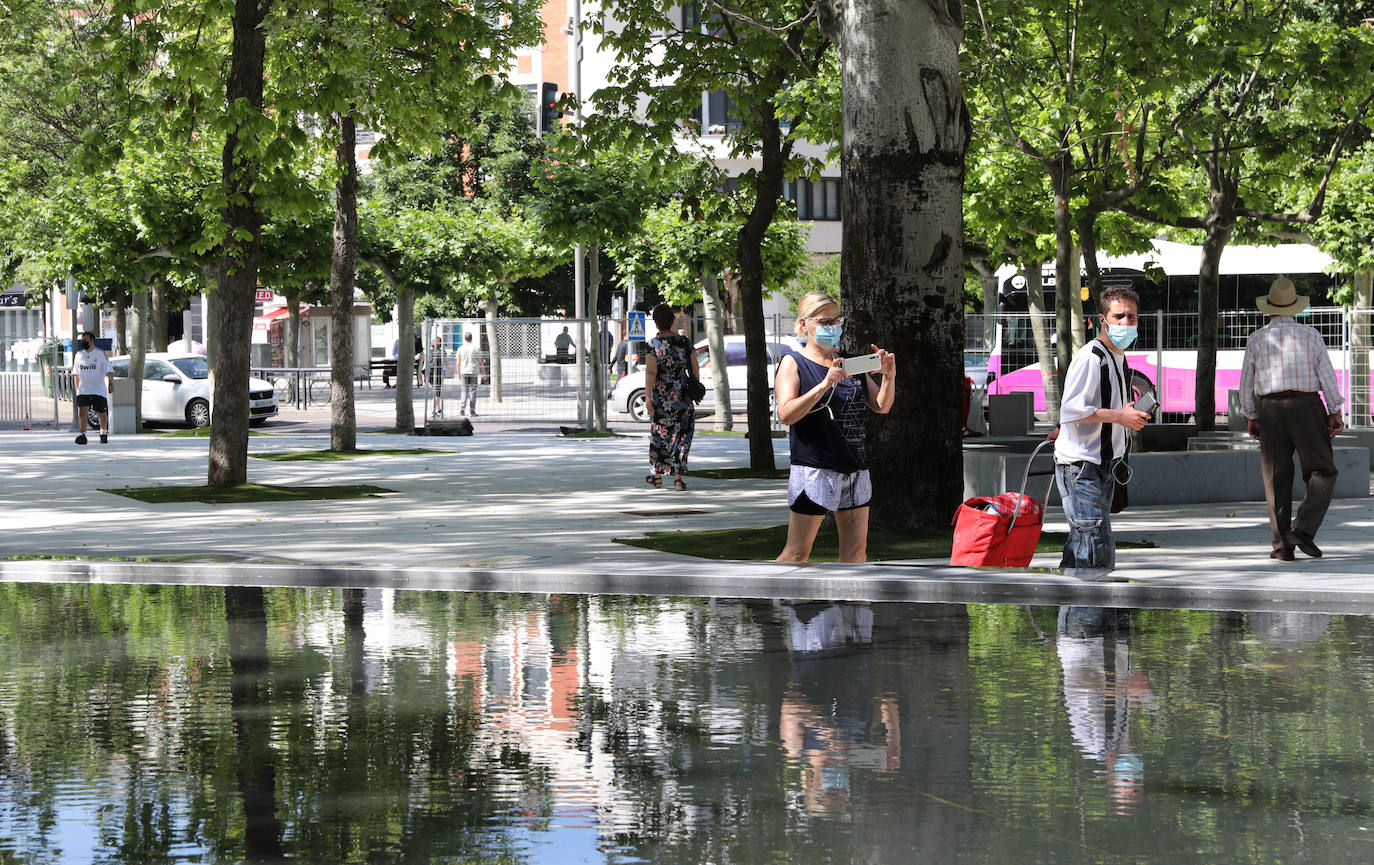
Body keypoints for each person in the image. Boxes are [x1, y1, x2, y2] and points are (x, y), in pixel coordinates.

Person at [774, 291, 896, 563]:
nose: (833, 327)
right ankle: (765, 601)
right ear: (804, 324)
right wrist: (824, 384)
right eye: (824, 322)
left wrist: (889, 376)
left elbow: (881, 406)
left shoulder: (850, 363)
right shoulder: (794, 362)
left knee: (856, 554)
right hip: (815, 471)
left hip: (854, 469)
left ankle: (853, 606)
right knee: (796, 553)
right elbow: (787, 414)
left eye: (836, 320)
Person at [1240, 277, 1344, 561]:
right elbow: (1326, 376)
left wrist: (1251, 415)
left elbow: (1246, 383)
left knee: (1276, 479)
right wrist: (1334, 410)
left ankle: (1282, 546)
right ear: (1295, 308)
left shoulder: (1257, 338)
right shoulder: (1311, 336)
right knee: (1323, 470)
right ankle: (1302, 529)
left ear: (1270, 308)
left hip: (1270, 408)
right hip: (1307, 407)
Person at [1054, 286, 1150, 579]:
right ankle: (1090, 620)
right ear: (1102, 319)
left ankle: (1074, 618)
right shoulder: (1092, 357)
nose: (1125, 323)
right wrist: (1121, 416)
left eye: (1131, 317)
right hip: (1082, 466)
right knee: (1096, 551)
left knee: (1084, 544)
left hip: (1100, 465)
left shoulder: (1116, 357)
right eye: (1118, 316)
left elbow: (1093, 406)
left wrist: (1126, 412)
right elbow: (1071, 409)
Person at [644, 303, 699, 490]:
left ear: (656, 323)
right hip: (682, 396)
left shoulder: (653, 345)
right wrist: (694, 386)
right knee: (681, 436)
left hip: (661, 398)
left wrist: (648, 397)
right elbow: (695, 367)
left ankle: (657, 476)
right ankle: (677, 478)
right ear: (672, 321)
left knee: (659, 436)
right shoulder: (684, 342)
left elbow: (651, 373)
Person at [71, 330, 113, 445]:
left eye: (86, 340)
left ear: (92, 340)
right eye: (82, 340)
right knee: (82, 413)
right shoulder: (79, 355)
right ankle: (83, 435)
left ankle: (103, 433)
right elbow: (76, 373)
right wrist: (77, 390)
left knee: (101, 413)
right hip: (83, 390)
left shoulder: (100, 354)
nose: (83, 342)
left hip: (98, 390)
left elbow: (109, 370)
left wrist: (110, 383)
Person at [456, 331, 485, 417]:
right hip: (473, 372)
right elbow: (480, 361)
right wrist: (484, 373)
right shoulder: (476, 348)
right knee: (473, 391)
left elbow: (458, 363)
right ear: (471, 338)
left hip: (464, 372)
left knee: (464, 391)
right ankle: (472, 411)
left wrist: (458, 374)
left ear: (464, 339)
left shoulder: (460, 348)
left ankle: (462, 408)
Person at [423, 335, 452, 418]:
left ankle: (438, 409)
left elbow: (425, 364)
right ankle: (434, 410)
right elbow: (447, 363)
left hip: (431, 373)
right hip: (438, 373)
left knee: (437, 392)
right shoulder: (442, 352)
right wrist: (451, 372)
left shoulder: (429, 352)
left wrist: (423, 375)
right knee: (437, 392)